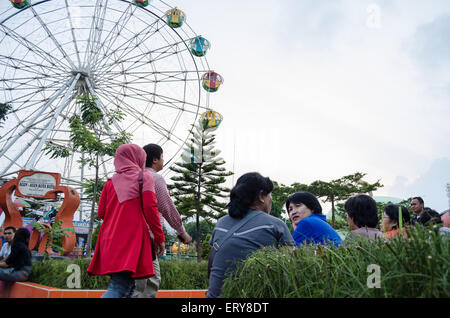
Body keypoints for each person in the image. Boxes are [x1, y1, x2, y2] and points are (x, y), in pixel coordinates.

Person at [87, 144, 165, 298]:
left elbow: (101, 212)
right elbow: (150, 208)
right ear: (137, 158)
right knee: (119, 287)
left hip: (109, 239)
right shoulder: (144, 177)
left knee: (128, 286)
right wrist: (159, 237)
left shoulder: (110, 182)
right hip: (130, 240)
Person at [207, 172, 294, 298]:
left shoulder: (221, 223)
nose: (271, 200)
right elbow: (291, 268)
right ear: (261, 196)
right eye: (270, 195)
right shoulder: (275, 225)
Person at [133, 143, 192, 298]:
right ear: (155, 159)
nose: (163, 160)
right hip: (146, 238)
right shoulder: (155, 178)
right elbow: (167, 207)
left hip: (128, 237)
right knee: (149, 282)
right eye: (162, 157)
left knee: (132, 283)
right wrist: (182, 232)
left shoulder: (132, 178)